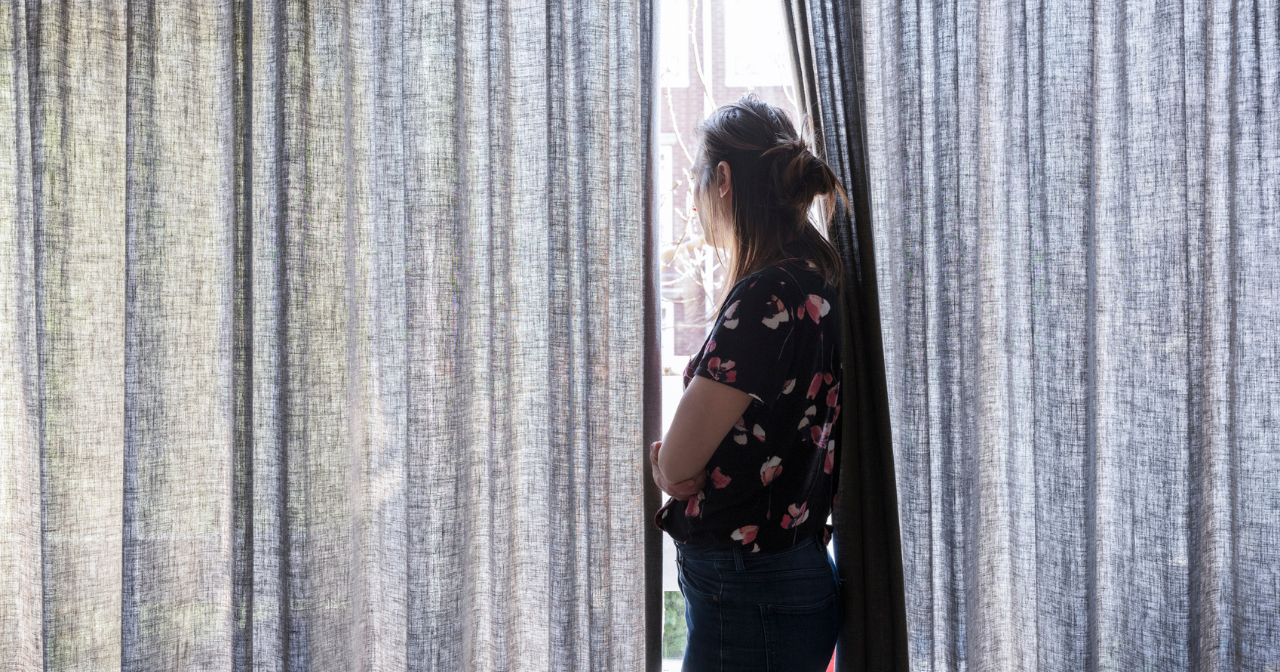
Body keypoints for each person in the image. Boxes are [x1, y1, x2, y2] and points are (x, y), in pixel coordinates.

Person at [651, 93, 847, 671]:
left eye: (695, 179)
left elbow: (680, 466)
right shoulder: (813, 280)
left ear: (725, 180)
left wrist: (663, 467)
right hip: (776, 582)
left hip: (751, 593)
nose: (692, 198)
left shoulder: (768, 294)